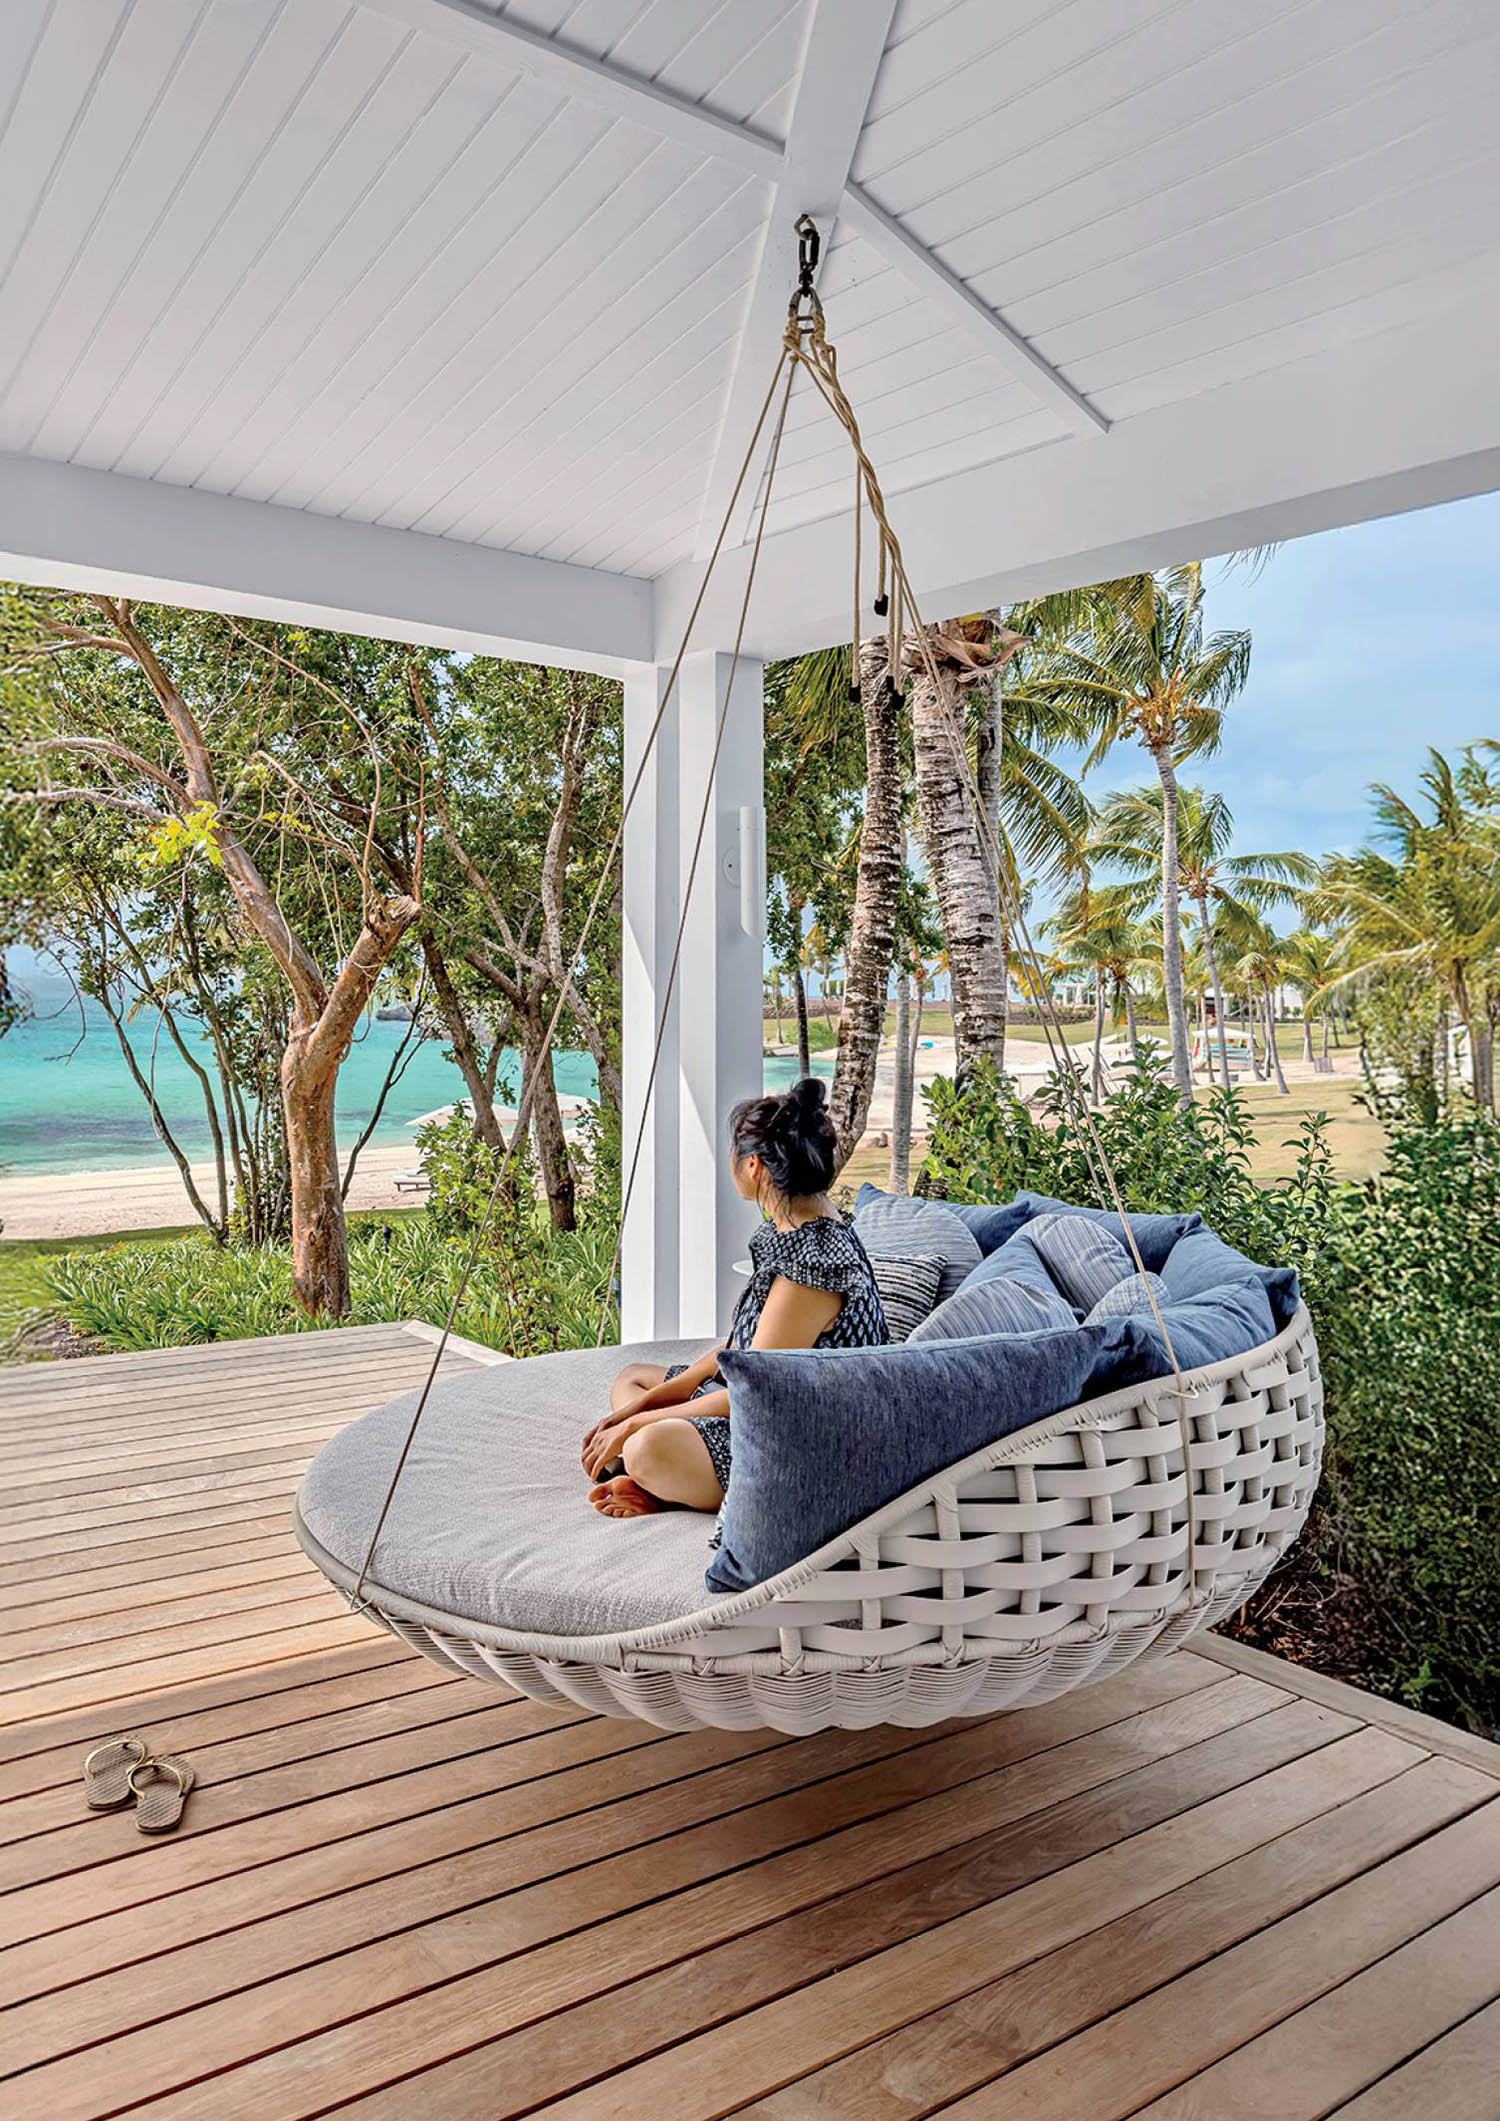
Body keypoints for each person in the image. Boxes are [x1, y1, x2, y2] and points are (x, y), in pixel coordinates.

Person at [583, 1076, 889, 1519]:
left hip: (796, 1435)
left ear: (754, 1167)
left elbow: (753, 1390)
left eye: (735, 1150)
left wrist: (636, 1423)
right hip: (757, 1395)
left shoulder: (813, 1268)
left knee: (645, 1446)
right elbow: (741, 1347)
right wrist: (651, 1401)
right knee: (632, 1381)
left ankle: (662, 1487)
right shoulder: (792, 1227)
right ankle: (666, 1476)